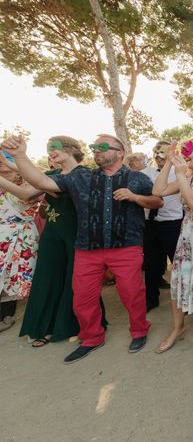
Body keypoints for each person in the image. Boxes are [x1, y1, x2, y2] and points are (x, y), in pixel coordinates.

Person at [2, 134, 163, 363]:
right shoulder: (81, 177)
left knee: (132, 294)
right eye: (94, 146)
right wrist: (19, 155)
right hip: (87, 249)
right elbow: (41, 183)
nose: (97, 150)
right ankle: (92, 337)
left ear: (120, 152)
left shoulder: (137, 178)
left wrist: (135, 197)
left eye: (103, 146)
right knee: (82, 298)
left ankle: (139, 331)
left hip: (125, 246)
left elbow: (157, 201)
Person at [18, 137, 106, 346]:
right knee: (48, 277)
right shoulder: (52, 174)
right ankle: (45, 327)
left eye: (55, 148)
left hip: (75, 231)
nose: (50, 152)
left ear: (71, 149)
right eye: (48, 149)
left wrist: (19, 156)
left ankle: (71, 325)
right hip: (52, 232)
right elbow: (27, 194)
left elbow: (40, 183)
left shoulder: (84, 174)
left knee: (73, 280)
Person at [152, 139, 193, 360]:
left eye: (188, 154)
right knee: (178, 280)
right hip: (186, 236)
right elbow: (158, 190)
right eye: (182, 154)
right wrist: (169, 164)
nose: (185, 157)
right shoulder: (187, 174)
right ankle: (177, 327)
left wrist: (181, 175)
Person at [141, 141, 183, 312]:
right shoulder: (143, 174)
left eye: (164, 153)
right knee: (151, 263)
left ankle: (182, 298)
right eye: (156, 152)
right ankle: (151, 298)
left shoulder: (179, 173)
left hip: (172, 223)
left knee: (177, 261)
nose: (159, 156)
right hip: (149, 224)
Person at [0, 151, 40, 332]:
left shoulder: (28, 181)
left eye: (5, 159)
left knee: (20, 275)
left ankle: (10, 315)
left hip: (21, 235)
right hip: (2, 235)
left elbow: (26, 198)